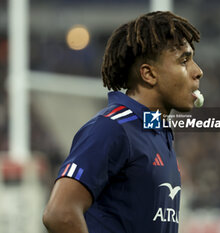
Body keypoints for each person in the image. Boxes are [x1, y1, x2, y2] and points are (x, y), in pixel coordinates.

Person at [42, 11, 203, 233]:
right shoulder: (111, 128)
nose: (198, 71)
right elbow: (60, 214)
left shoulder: (157, 132)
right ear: (149, 74)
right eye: (184, 60)